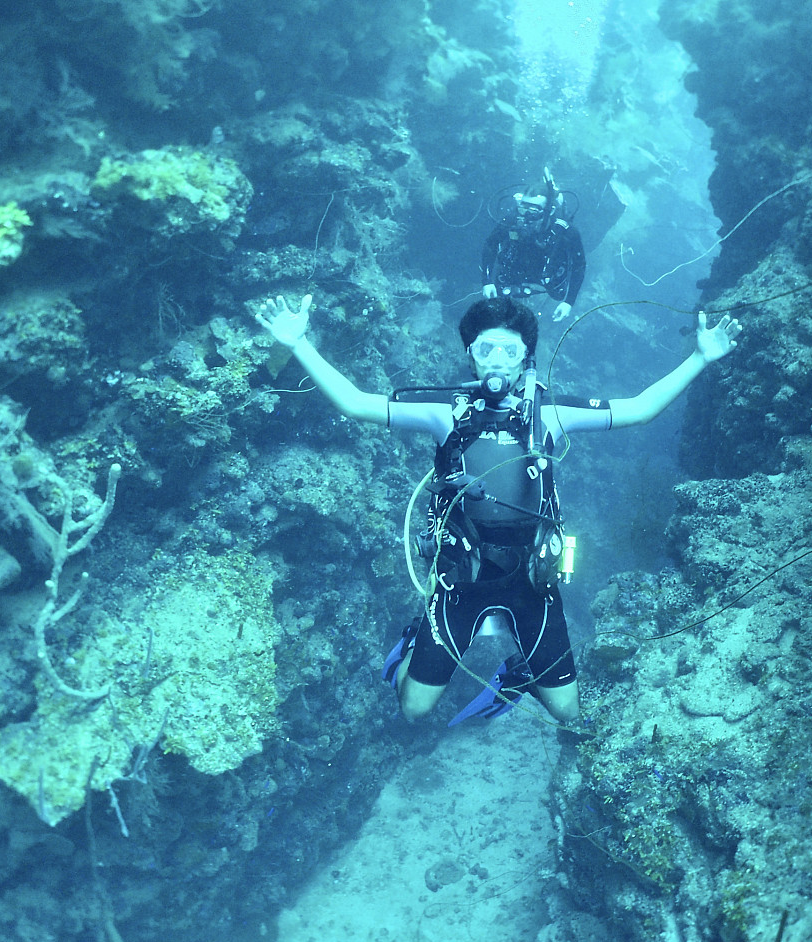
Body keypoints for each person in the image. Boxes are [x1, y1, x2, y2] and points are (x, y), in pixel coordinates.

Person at [255, 293, 740, 725]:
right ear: (469, 354)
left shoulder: (549, 413)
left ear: (527, 356)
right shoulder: (443, 409)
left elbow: (639, 409)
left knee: (568, 712)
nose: (498, 361)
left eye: (511, 350)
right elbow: (355, 402)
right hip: (459, 583)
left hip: (531, 583)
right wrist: (298, 344)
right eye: (487, 348)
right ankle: (415, 640)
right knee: (414, 709)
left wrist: (700, 357)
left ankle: (520, 673)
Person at [481, 169, 586, 323]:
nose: (526, 217)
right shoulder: (513, 220)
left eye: (534, 211)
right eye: (523, 208)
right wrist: (487, 281)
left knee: (555, 292)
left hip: (547, 279)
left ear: (549, 212)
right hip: (517, 272)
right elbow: (490, 244)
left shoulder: (565, 231)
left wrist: (569, 302)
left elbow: (579, 265)